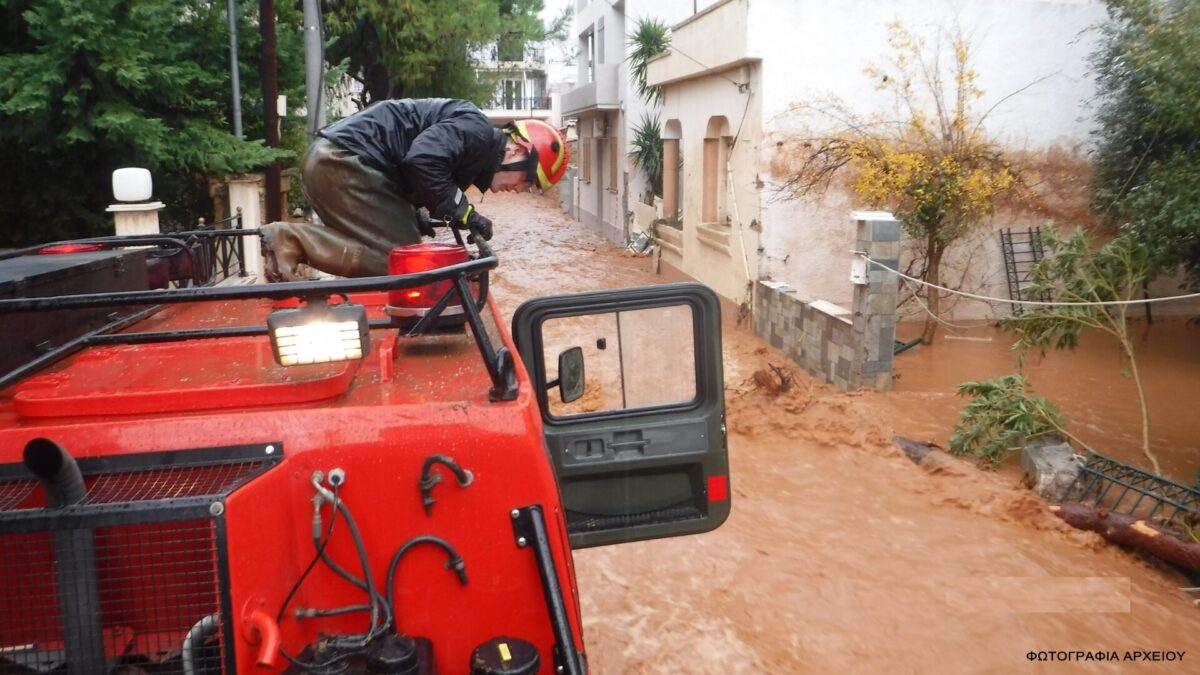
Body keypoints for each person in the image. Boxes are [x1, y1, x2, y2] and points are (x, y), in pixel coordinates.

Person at [260, 98, 569, 281]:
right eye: (528, 180)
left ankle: (294, 241)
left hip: (337, 161)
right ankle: (292, 240)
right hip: (342, 162)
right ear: (517, 151)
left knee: (404, 249)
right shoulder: (476, 131)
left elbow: (418, 168)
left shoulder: (472, 145)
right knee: (405, 260)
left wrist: (415, 211)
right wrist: (465, 213)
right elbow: (423, 159)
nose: (520, 189)